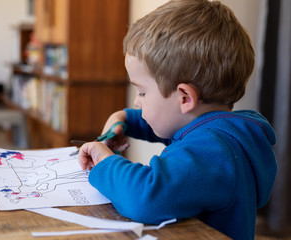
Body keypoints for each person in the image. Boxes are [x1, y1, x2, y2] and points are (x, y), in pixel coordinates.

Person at [77, 0, 277, 239]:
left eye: (142, 92)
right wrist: (124, 119)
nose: (136, 103)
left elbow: (145, 198)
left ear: (184, 98)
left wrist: (105, 161)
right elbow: (176, 126)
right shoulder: (224, 133)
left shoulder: (211, 152)